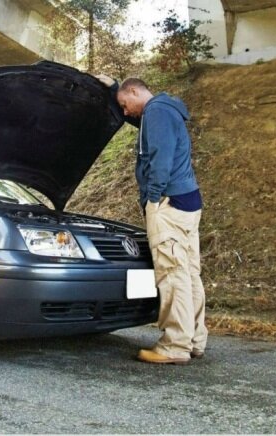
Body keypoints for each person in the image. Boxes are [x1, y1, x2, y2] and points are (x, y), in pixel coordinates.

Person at [97, 75, 208, 365]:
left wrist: (152, 199)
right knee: (188, 273)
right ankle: (195, 340)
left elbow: (160, 159)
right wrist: (114, 88)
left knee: (172, 274)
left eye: (125, 104)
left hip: (168, 203)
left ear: (135, 91)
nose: (125, 111)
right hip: (187, 201)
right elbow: (144, 126)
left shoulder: (157, 112)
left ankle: (175, 345)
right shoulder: (163, 110)